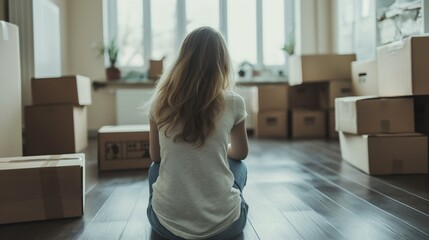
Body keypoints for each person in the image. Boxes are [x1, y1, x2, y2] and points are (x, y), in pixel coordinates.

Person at [146, 26, 249, 240]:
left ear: (182, 60)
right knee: (239, 167)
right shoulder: (233, 103)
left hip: (167, 228)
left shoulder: (160, 103)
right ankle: (221, 209)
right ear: (222, 62)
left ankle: (170, 213)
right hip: (226, 228)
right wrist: (216, 150)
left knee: (155, 169)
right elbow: (240, 153)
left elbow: (156, 157)